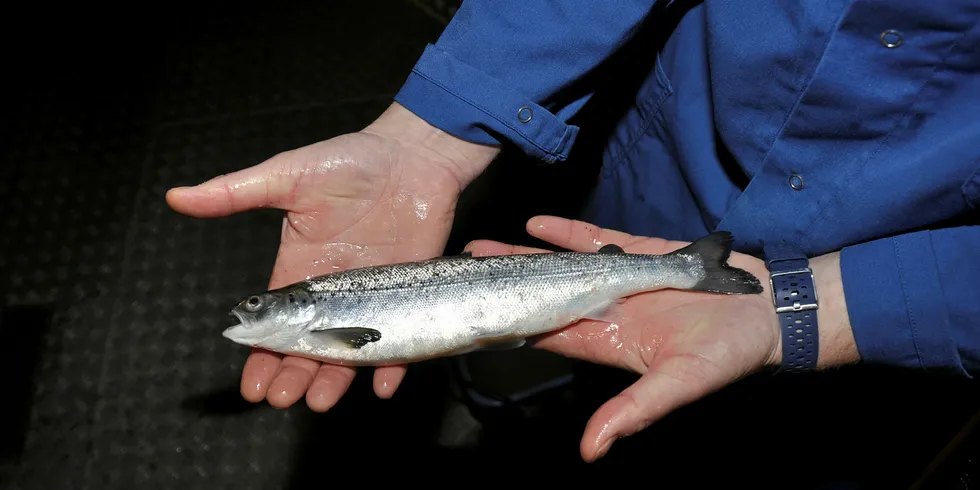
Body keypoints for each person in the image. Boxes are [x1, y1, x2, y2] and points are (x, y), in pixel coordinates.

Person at [165, 0, 979, 465]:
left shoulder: (330, 324)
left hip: (909, 249)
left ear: (301, 310)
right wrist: (430, 131)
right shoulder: (327, 324)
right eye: (256, 309)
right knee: (598, 348)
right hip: (665, 156)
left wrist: (837, 309)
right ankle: (538, 386)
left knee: (803, 452)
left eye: (257, 308)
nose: (248, 318)